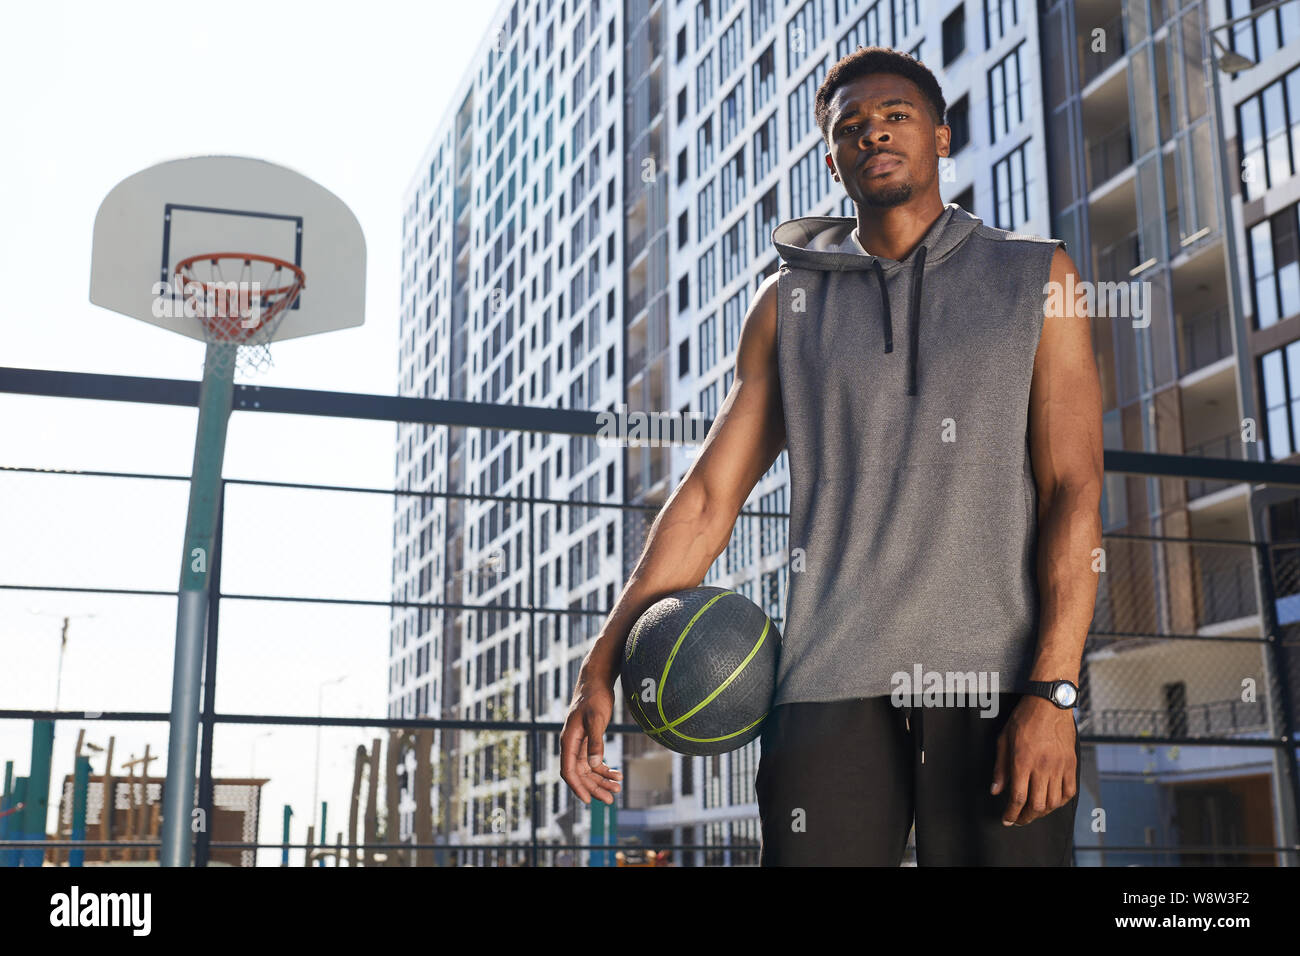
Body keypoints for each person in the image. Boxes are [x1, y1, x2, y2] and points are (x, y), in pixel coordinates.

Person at [560, 45, 1104, 866]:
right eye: (853, 127)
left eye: (896, 117)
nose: (874, 135)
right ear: (833, 157)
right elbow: (709, 500)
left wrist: (1055, 691)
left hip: (997, 683)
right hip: (825, 685)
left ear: (941, 139)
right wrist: (601, 661)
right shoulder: (788, 306)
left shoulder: (1037, 277)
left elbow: (1074, 491)